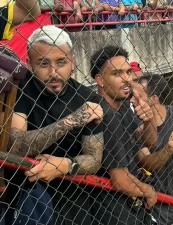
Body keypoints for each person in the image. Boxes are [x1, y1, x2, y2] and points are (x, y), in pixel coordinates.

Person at [6, 26, 104, 225]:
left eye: (61, 62)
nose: (53, 73)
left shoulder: (88, 98)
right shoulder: (20, 89)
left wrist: (65, 165)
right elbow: (17, 145)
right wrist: (72, 120)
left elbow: (94, 159)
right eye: (43, 63)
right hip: (26, 194)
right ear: (30, 65)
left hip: (74, 196)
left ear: (73, 62)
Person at [90, 45, 161, 225]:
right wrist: (148, 191)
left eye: (128, 72)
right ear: (100, 80)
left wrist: (148, 119)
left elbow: (149, 142)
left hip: (129, 206)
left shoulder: (121, 107)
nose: (127, 79)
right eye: (117, 74)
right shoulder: (106, 113)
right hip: (113, 211)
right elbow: (120, 179)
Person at [132, 74, 173, 223]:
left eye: (137, 96)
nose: (131, 99)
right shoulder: (135, 124)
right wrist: (168, 149)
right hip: (155, 204)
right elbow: (145, 162)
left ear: (154, 99)